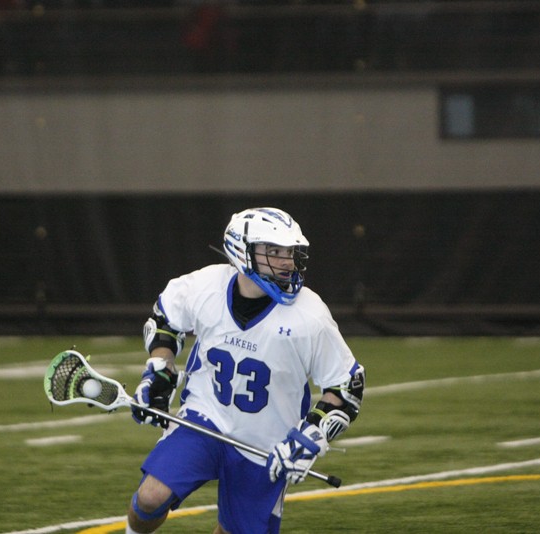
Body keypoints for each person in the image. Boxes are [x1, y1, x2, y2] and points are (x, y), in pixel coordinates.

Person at [128, 207, 365, 534]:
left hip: (266, 443)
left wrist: (313, 432)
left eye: (290, 252)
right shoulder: (206, 285)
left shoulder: (310, 315)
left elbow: (346, 386)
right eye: (274, 251)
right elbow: (165, 321)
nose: (286, 261)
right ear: (243, 251)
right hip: (204, 416)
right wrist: (160, 368)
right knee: (151, 496)